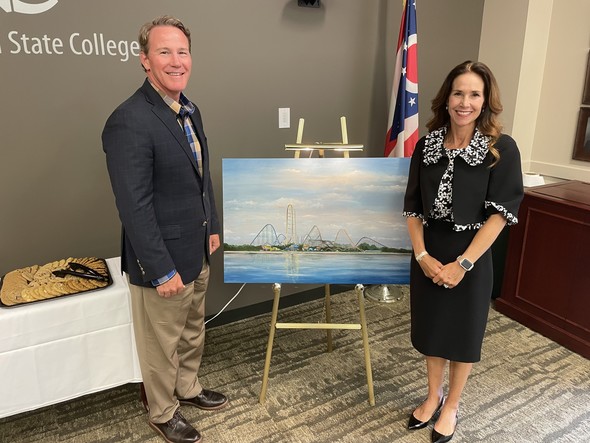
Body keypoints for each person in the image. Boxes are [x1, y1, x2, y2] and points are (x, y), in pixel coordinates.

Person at [102, 15, 227, 443]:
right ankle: (161, 411)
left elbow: (200, 176)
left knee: (193, 330)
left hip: (196, 248)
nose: (176, 60)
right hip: (162, 263)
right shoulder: (129, 120)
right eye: (164, 51)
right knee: (160, 345)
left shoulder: (188, 110)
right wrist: (160, 269)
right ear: (144, 60)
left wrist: (211, 225)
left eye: (182, 51)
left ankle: (187, 388)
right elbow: (133, 207)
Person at [402, 60, 524, 443]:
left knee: (463, 334)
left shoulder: (501, 149)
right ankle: (432, 395)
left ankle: (452, 404)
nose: (465, 102)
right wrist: (422, 256)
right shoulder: (427, 144)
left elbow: (499, 215)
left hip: (471, 254)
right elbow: (412, 208)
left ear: (486, 101)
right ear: (447, 97)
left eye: (474, 94)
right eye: (458, 93)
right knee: (433, 329)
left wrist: (464, 263)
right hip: (429, 252)